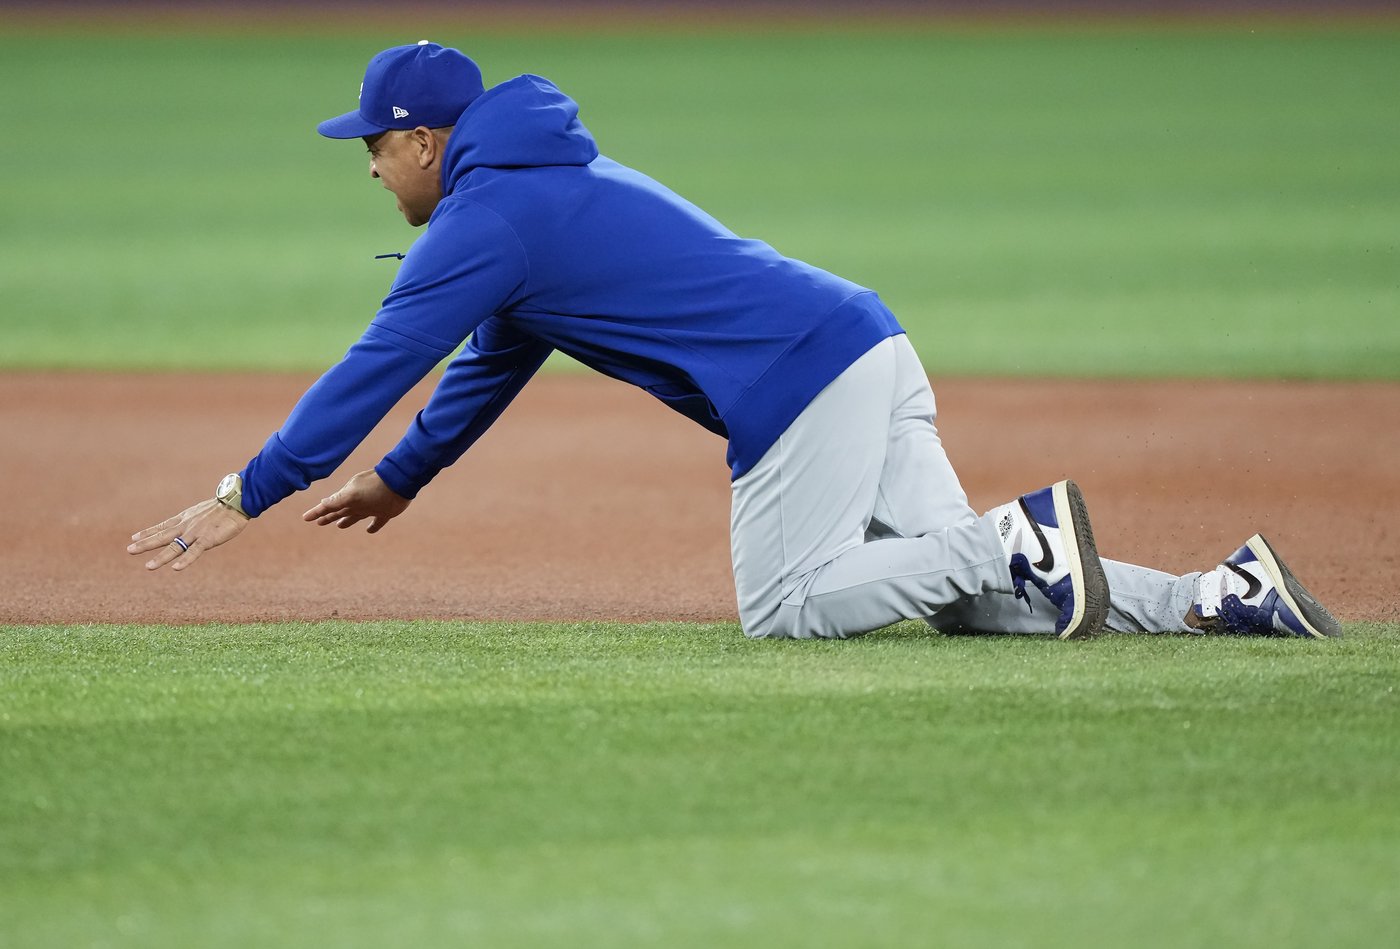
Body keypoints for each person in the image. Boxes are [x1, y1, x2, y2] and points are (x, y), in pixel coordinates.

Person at [127, 41, 1341, 642]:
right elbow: (497, 352)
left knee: (791, 606)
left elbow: (377, 363)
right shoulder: (530, 191)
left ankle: (1015, 533)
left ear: (431, 140)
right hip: (864, 344)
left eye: (377, 144)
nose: (372, 163)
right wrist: (403, 473)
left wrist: (251, 490)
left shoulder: (486, 215)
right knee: (972, 597)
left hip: (801, 386)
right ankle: (1215, 596)